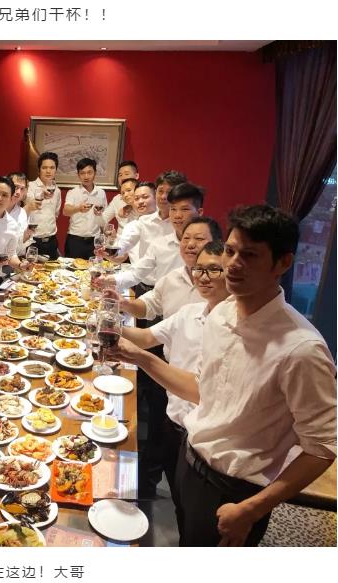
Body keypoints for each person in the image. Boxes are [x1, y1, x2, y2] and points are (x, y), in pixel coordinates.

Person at [110, 204, 337, 546]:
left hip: (236, 488)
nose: (233, 263)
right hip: (191, 457)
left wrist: (253, 508)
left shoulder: (302, 348)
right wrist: (139, 357)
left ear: (283, 263)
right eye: (230, 251)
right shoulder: (220, 315)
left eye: (250, 255)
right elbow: (201, 390)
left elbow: (322, 447)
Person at [118, 241, 229, 505]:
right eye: (198, 269)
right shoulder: (189, 313)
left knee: (196, 509)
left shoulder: (236, 328)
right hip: (175, 417)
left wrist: (141, 357)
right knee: (178, 497)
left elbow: (201, 390)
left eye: (214, 270)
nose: (203, 276)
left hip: (207, 440)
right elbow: (146, 337)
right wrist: (106, 325)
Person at [120, 216, 222, 321]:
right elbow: (150, 304)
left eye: (199, 238)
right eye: (186, 238)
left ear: (217, 243)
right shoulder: (172, 278)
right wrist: (123, 304)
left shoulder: (223, 283)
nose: (190, 244)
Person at [115, 181, 204, 292]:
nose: (178, 215)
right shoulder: (159, 241)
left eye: (184, 209)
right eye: (173, 209)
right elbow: (139, 270)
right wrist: (112, 280)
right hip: (149, 288)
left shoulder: (207, 243)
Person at [113, 170, 187, 264]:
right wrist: (110, 247)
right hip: (141, 272)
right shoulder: (136, 224)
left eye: (145, 197)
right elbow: (121, 253)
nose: (163, 196)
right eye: (136, 198)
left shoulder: (183, 223)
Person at [63, 157, 107, 259]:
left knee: (95, 267)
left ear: (95, 173)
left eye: (89, 172)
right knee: (72, 268)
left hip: (95, 240)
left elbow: (104, 219)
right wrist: (78, 208)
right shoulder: (73, 192)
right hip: (75, 240)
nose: (86, 176)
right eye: (82, 173)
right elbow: (65, 211)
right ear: (78, 175)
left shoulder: (101, 193)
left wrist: (104, 237)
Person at [25, 151, 62, 260]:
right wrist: (42, 193)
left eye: (52, 168)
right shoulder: (29, 186)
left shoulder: (57, 191)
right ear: (39, 169)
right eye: (44, 168)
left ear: (56, 170)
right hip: (32, 241)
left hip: (51, 241)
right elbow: (29, 202)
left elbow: (55, 214)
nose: (48, 171)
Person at [104, 159, 140, 226]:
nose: (123, 177)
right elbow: (103, 219)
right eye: (120, 175)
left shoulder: (146, 196)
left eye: (126, 174)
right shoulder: (117, 199)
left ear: (136, 176)